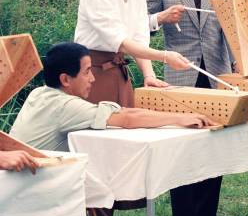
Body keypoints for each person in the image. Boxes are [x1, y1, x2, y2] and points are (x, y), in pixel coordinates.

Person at [146, 0, 235, 216]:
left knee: (216, 149)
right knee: (183, 150)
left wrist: (237, 71)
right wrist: (160, 18)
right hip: (180, 75)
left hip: (217, 75)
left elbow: (231, 27)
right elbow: (136, 24)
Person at [10, 42, 216, 153]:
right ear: (65, 79)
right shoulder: (65, 106)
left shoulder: (39, 94)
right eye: (87, 72)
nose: (92, 78)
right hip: (31, 187)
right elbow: (127, 119)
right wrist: (180, 119)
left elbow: (126, 112)